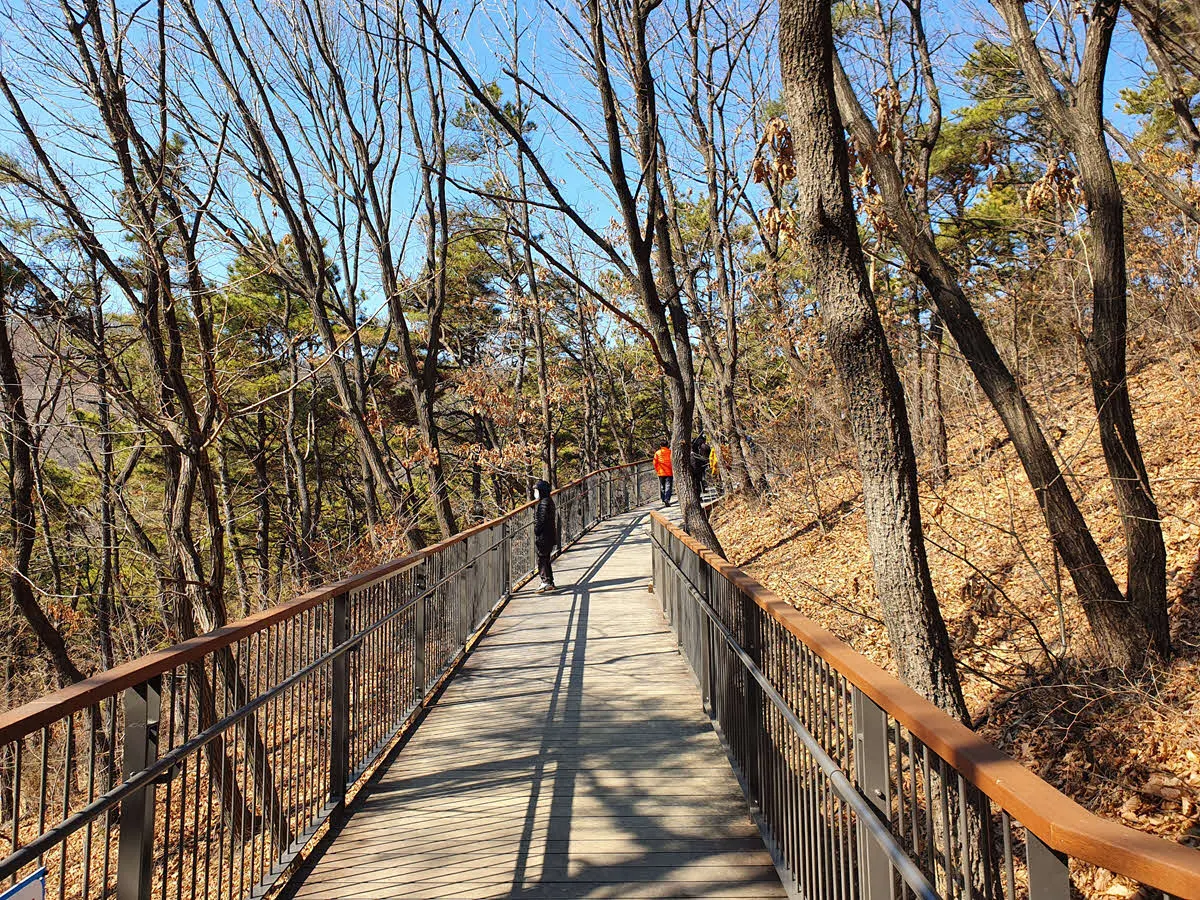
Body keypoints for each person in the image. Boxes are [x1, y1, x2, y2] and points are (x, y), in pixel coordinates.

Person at [533, 480, 560, 593]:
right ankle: (549, 581)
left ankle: (545, 581)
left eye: (536, 490)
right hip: (549, 535)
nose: (535, 493)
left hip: (544, 536)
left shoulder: (544, 503)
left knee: (542, 559)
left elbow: (542, 520)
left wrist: (537, 530)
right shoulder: (549, 501)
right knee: (545, 558)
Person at [653, 441, 673, 506]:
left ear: (660, 446)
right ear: (667, 445)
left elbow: (655, 463)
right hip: (669, 472)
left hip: (661, 472)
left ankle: (663, 499)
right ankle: (667, 499)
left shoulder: (657, 453)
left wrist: (657, 470)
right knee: (668, 486)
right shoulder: (670, 452)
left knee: (662, 486)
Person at [691, 434, 710, 501]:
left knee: (696, 482)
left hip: (694, 468)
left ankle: (697, 496)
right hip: (699, 467)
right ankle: (698, 496)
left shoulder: (692, 454)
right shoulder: (703, 448)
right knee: (698, 482)